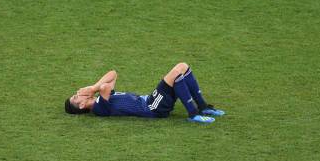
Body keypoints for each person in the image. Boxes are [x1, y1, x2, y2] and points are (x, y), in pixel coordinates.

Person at [65, 63, 225, 124]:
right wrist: (94, 89)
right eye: (75, 96)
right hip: (151, 108)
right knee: (176, 73)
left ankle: (203, 107)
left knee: (182, 67)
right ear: (81, 105)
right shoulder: (98, 109)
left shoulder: (101, 98)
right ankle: (193, 114)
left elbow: (113, 74)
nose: (78, 92)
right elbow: (105, 87)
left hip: (150, 100)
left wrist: (93, 87)